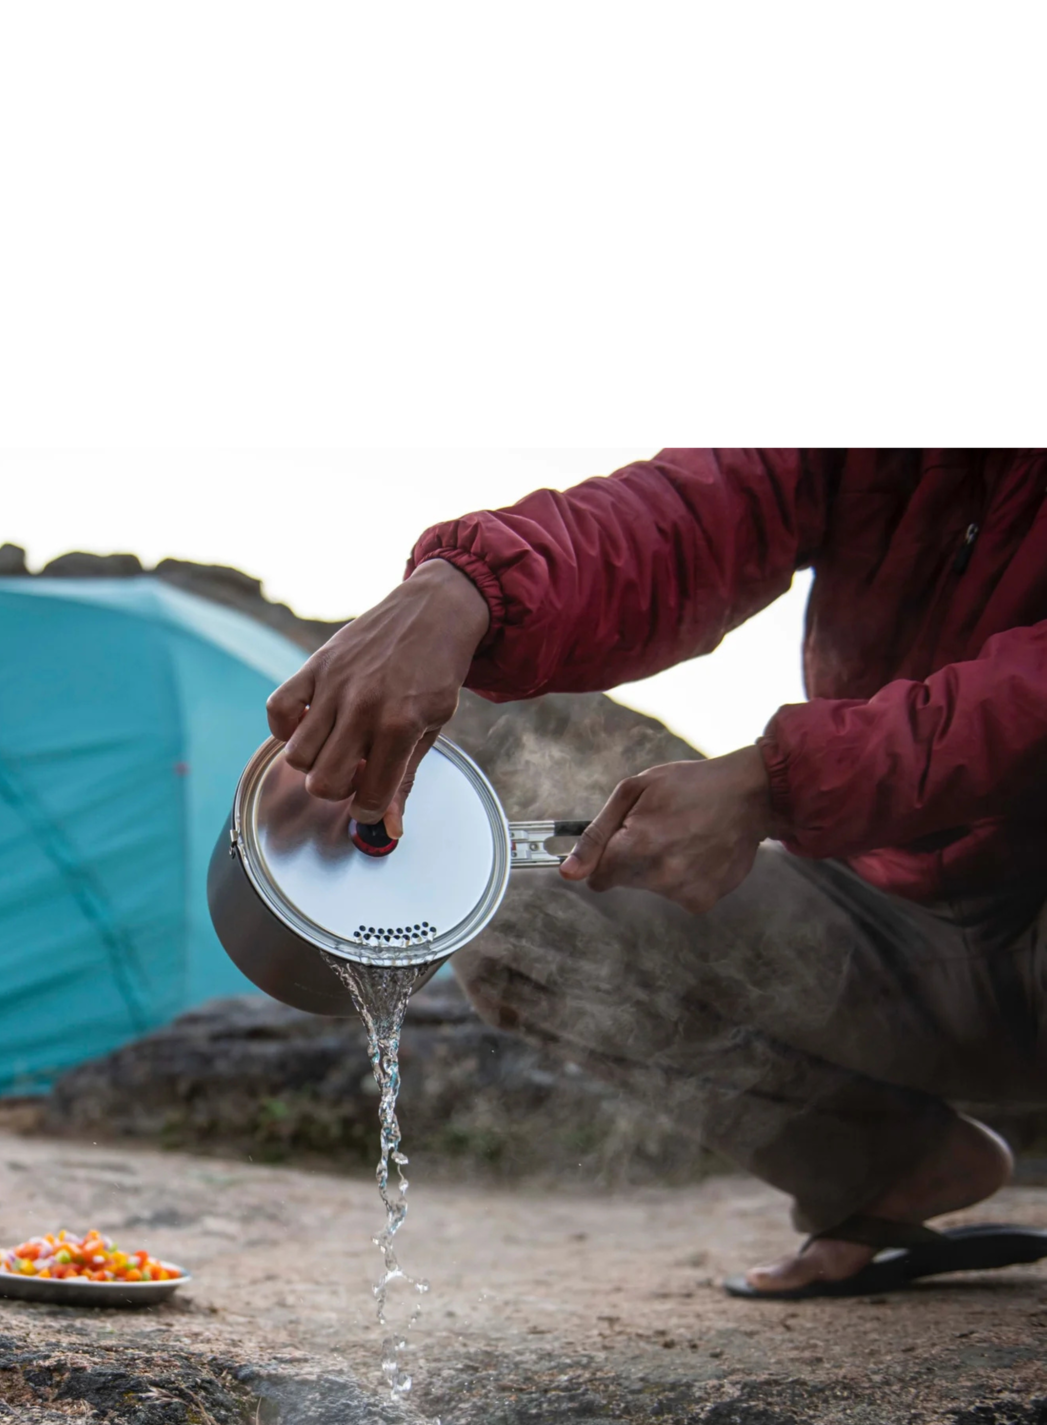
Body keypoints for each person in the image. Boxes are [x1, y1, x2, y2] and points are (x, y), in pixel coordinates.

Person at [265, 447, 1047, 1299]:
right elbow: (691, 515)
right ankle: (888, 1166)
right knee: (529, 919)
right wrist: (466, 591)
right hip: (897, 918)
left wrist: (776, 784)